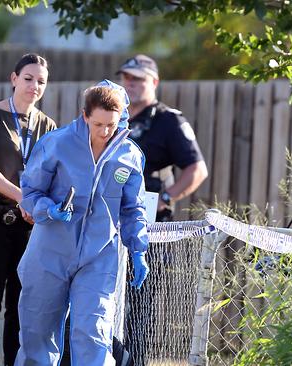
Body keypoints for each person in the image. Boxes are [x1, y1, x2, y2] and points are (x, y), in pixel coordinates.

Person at [15, 80, 150, 365]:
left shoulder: (130, 155)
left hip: (99, 257)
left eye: (112, 125)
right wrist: (49, 209)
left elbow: (133, 207)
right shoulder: (57, 144)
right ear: (85, 115)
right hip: (49, 253)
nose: (104, 132)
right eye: (98, 123)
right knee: (38, 334)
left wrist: (138, 249)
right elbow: (29, 193)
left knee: (94, 335)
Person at [118, 54, 208, 364]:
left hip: (149, 227)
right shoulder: (115, 117)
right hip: (110, 223)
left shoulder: (168, 120)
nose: (130, 84)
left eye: (138, 79)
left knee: (141, 304)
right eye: (127, 78)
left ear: (154, 83)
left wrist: (166, 197)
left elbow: (196, 169)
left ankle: (137, 361)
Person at [0, 53, 57, 366]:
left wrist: (40, 205)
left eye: (41, 81)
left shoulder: (47, 125)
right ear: (14, 78)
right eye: (29, 78)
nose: (34, 86)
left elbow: (52, 175)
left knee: (20, 306)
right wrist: (23, 197)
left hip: (29, 228)